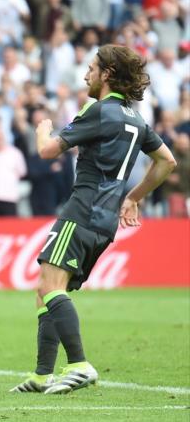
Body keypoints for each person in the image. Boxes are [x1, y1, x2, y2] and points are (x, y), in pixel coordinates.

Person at [11, 45, 176, 394]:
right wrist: (133, 197)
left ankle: (79, 364)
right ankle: (43, 374)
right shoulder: (136, 120)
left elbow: (47, 151)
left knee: (51, 288)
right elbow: (167, 161)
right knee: (46, 290)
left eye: (91, 68)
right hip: (104, 221)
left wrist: (42, 128)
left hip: (82, 209)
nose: (85, 75)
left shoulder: (100, 111)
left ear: (107, 74)